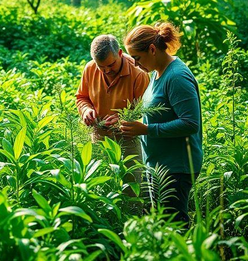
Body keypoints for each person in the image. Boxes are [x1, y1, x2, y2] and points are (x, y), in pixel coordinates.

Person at [120, 22, 203, 225]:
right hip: (158, 164)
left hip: (176, 166)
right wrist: (135, 125)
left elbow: (190, 123)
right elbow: (161, 114)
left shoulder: (176, 77)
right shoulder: (157, 73)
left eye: (137, 58)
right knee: (162, 224)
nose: (135, 64)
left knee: (174, 225)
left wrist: (147, 129)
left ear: (152, 49)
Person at [76, 34, 150, 202]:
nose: (107, 70)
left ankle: (132, 220)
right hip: (99, 136)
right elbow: (81, 97)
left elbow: (146, 113)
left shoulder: (138, 74)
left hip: (128, 140)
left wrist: (122, 118)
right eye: (101, 67)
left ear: (120, 53)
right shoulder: (90, 69)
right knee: (101, 185)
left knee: (131, 186)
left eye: (111, 65)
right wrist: (86, 110)